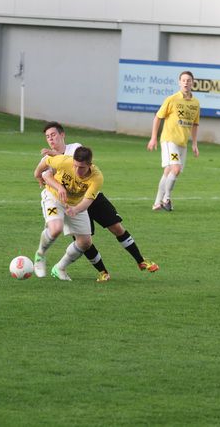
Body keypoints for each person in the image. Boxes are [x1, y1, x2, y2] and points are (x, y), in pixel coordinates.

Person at [37, 122, 159, 282]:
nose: (51, 139)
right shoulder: (51, 160)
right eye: (47, 137)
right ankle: (102, 271)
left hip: (91, 197)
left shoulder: (76, 149)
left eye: (53, 135)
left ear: (62, 135)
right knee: (85, 241)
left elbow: (74, 162)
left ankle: (140, 260)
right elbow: (46, 175)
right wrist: (55, 182)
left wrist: (53, 155)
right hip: (69, 200)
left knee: (116, 227)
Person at [33, 146, 100, 281]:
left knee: (85, 242)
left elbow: (87, 201)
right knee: (56, 229)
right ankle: (40, 255)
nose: (77, 170)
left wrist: (75, 210)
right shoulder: (64, 161)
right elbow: (46, 161)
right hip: (53, 197)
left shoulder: (97, 177)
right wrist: (38, 175)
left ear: (90, 165)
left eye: (81, 167)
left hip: (76, 205)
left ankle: (60, 268)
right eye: (75, 166)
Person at [147, 70, 200, 212]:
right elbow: (158, 117)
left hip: (183, 143)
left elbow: (195, 124)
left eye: (189, 80)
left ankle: (157, 203)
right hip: (170, 140)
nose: (186, 83)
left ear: (192, 83)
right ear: (179, 82)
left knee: (168, 171)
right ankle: (167, 199)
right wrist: (153, 137)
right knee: (176, 169)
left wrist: (194, 144)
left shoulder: (195, 103)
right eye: (183, 80)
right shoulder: (172, 99)